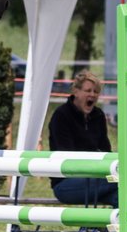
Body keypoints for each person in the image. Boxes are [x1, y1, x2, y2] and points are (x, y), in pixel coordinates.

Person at [47, 71, 117, 208]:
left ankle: (106, 229)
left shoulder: (98, 115)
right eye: (88, 90)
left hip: (97, 179)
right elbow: (66, 156)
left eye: (96, 91)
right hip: (65, 184)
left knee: (122, 197)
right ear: (76, 91)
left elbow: (105, 151)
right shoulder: (61, 116)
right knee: (119, 181)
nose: (92, 94)